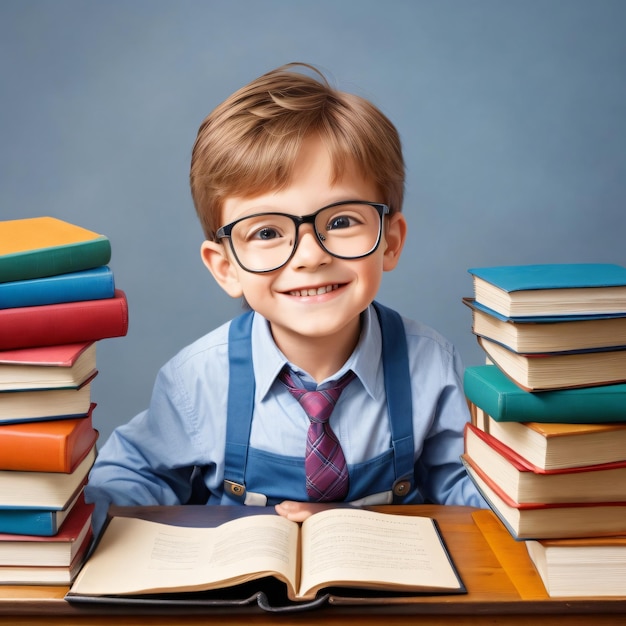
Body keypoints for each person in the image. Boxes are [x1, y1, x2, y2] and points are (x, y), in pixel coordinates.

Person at [85, 62, 485, 534]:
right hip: (237, 599)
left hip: (383, 599)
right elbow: (126, 480)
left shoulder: (429, 367)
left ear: (390, 241)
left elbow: (470, 496)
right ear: (226, 267)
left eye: (341, 222)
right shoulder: (198, 378)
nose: (310, 256)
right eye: (268, 231)